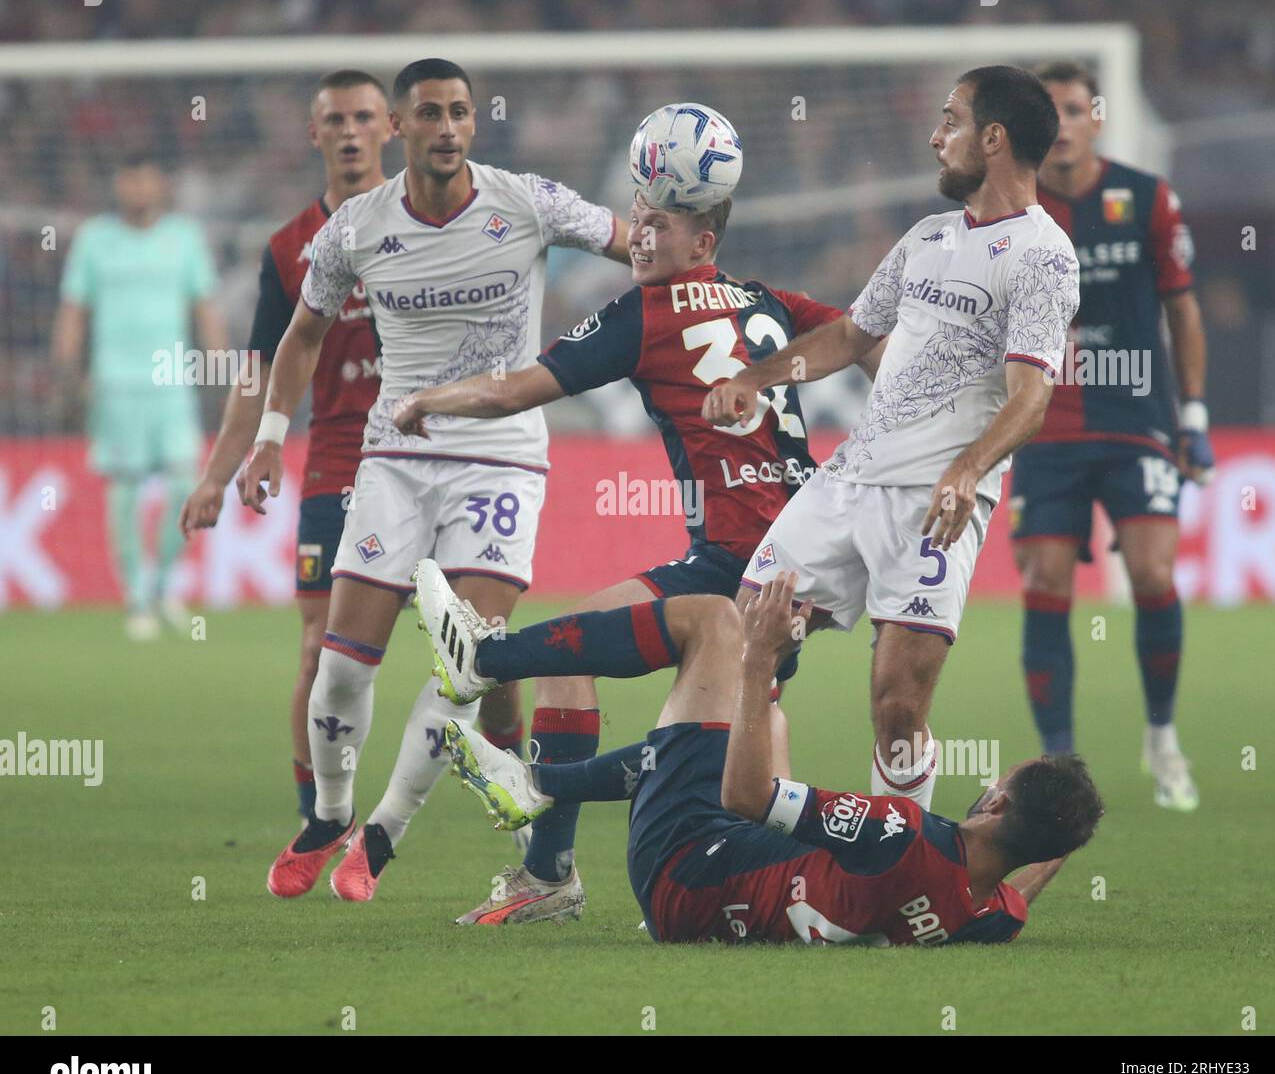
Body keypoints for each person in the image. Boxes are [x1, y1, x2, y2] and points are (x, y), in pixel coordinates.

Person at [393, 185, 840, 924]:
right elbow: (865, 335)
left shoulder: (647, 314)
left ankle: (515, 749)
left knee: (669, 724)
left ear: (703, 243)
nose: (638, 238)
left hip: (736, 560)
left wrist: (429, 400)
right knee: (733, 736)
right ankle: (594, 870)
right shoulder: (770, 300)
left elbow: (514, 391)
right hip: (805, 558)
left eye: (660, 226)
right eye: (639, 224)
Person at [242, 58, 630, 902]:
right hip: (395, 459)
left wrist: (676, 305)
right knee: (342, 666)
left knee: (468, 661)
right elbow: (302, 334)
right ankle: (330, 814)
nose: (448, 127)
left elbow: (636, 243)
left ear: (470, 125)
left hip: (502, 457)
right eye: (431, 114)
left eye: (459, 112)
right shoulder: (355, 228)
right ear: (401, 130)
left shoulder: (525, 200)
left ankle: (380, 837)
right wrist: (272, 433)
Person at [702, 66, 1080, 811]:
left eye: (952, 122)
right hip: (849, 483)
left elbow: (1031, 397)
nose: (937, 138)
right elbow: (848, 335)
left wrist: (968, 470)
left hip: (934, 507)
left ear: (994, 138)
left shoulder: (1043, 254)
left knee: (898, 706)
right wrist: (758, 377)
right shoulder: (927, 237)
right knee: (746, 640)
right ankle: (741, 823)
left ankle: (899, 859)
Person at [416, 562, 1103, 944]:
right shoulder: (985, 915)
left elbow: (751, 800)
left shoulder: (901, 832)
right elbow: (1019, 887)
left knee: (714, 621)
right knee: (764, 726)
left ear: (997, 802)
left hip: (682, 863)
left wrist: (759, 656)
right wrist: (1064, 831)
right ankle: (540, 785)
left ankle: (488, 667)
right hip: (716, 897)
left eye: (997, 780)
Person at [179, 70, 391, 826]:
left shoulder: (435, 223)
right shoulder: (289, 249)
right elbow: (260, 373)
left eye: (364, 116)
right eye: (335, 118)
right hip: (338, 464)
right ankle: (318, 817)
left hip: (437, 459)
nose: (349, 130)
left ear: (389, 128)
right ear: (315, 133)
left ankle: (531, 829)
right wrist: (216, 475)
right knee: (317, 650)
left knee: (482, 654)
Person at [1010, 61, 1209, 811]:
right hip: (1044, 423)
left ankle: (1162, 739)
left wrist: (1194, 415)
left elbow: (1183, 311)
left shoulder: (1148, 198)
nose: (1060, 124)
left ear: (1096, 117)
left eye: (1071, 108)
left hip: (1136, 420)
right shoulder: (1014, 213)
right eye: (1047, 111)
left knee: (1155, 575)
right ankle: (1056, 771)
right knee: (1043, 581)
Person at [53, 154, 228, 640]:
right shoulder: (94, 239)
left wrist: (223, 368)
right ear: (118, 184)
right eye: (128, 179)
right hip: (115, 384)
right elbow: (74, 309)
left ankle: (162, 584)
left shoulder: (184, 237)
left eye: (145, 178)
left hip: (174, 382)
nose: (137, 188)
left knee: (184, 487)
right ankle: (135, 596)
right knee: (125, 489)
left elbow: (206, 305)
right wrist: (67, 369)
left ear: (160, 183)